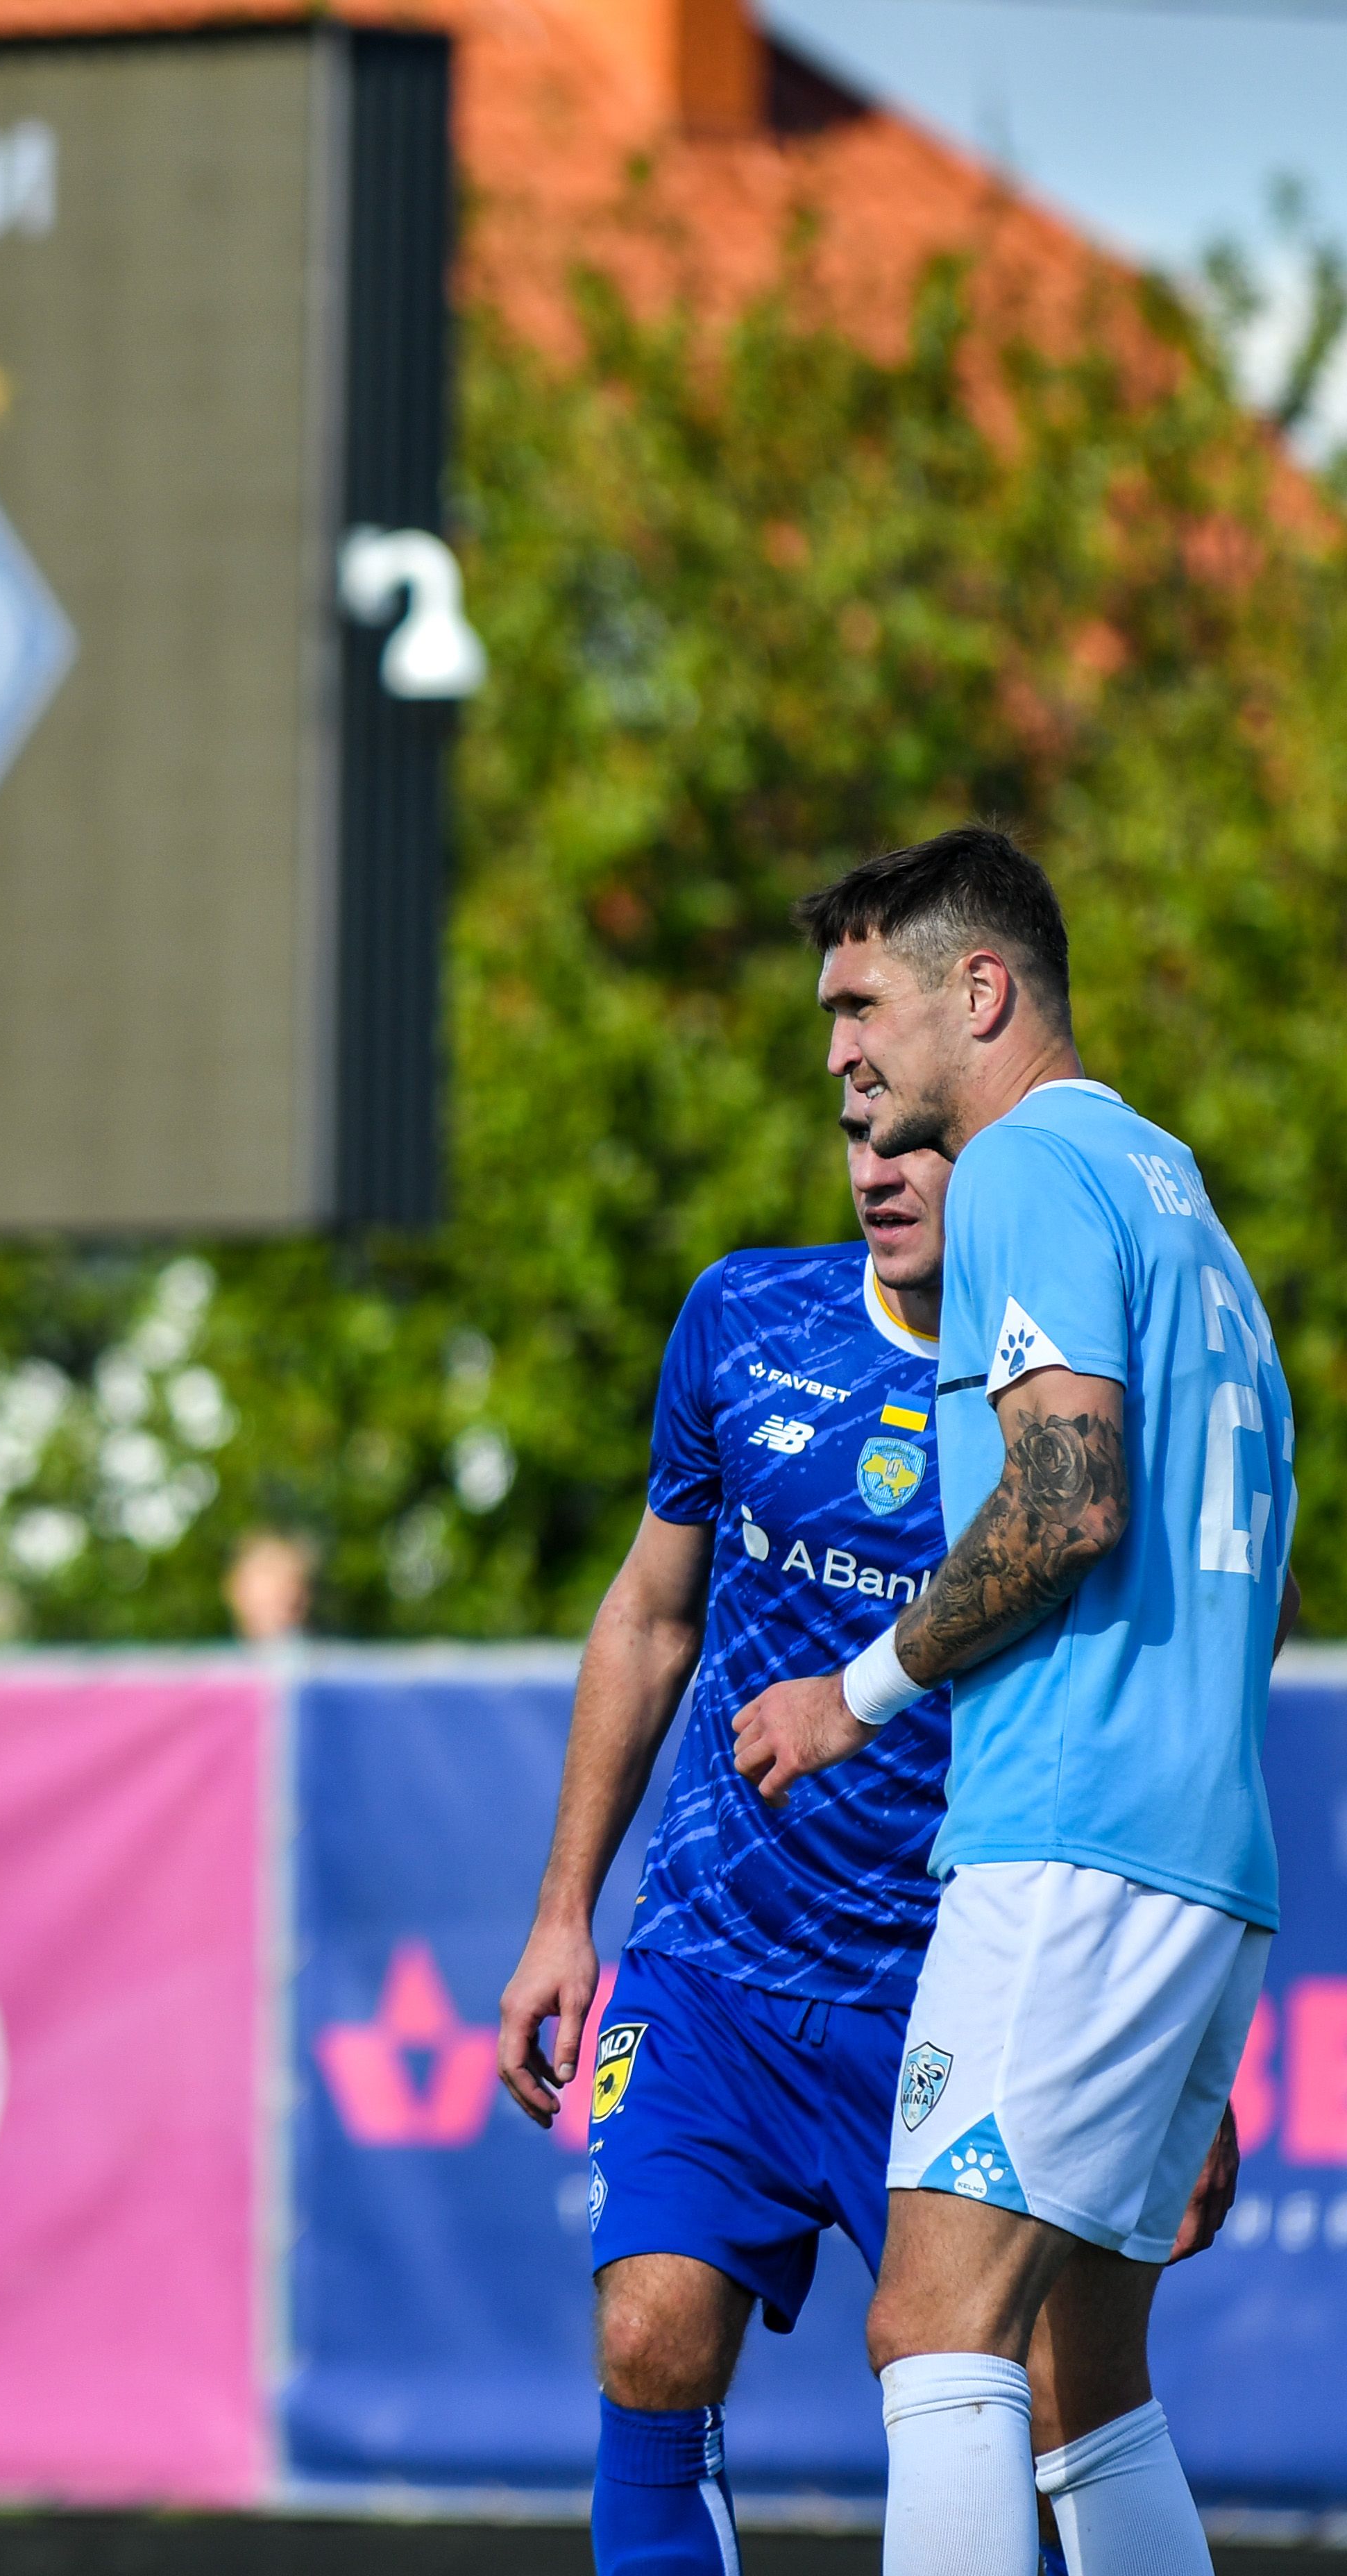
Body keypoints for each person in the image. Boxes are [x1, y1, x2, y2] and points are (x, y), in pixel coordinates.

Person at [735, 828, 1294, 2576]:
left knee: (932, 2328)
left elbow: (1066, 1498)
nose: (837, 1051)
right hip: (1197, 1856)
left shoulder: (1024, 1173)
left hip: (1068, 1839)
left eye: (860, 1005)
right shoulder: (1171, 1195)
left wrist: (855, 1692)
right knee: (1084, 2380)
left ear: (978, 992)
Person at [495, 1112, 972, 2569]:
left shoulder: (1063, 1394)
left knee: (1008, 2414)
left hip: (955, 1988)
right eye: (855, 1132)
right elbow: (650, 1615)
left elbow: (1186, 1669)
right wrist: (563, 1908)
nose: (878, 1166)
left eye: (916, 1137)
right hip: (711, 1960)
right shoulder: (745, 1314)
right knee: (646, 2331)